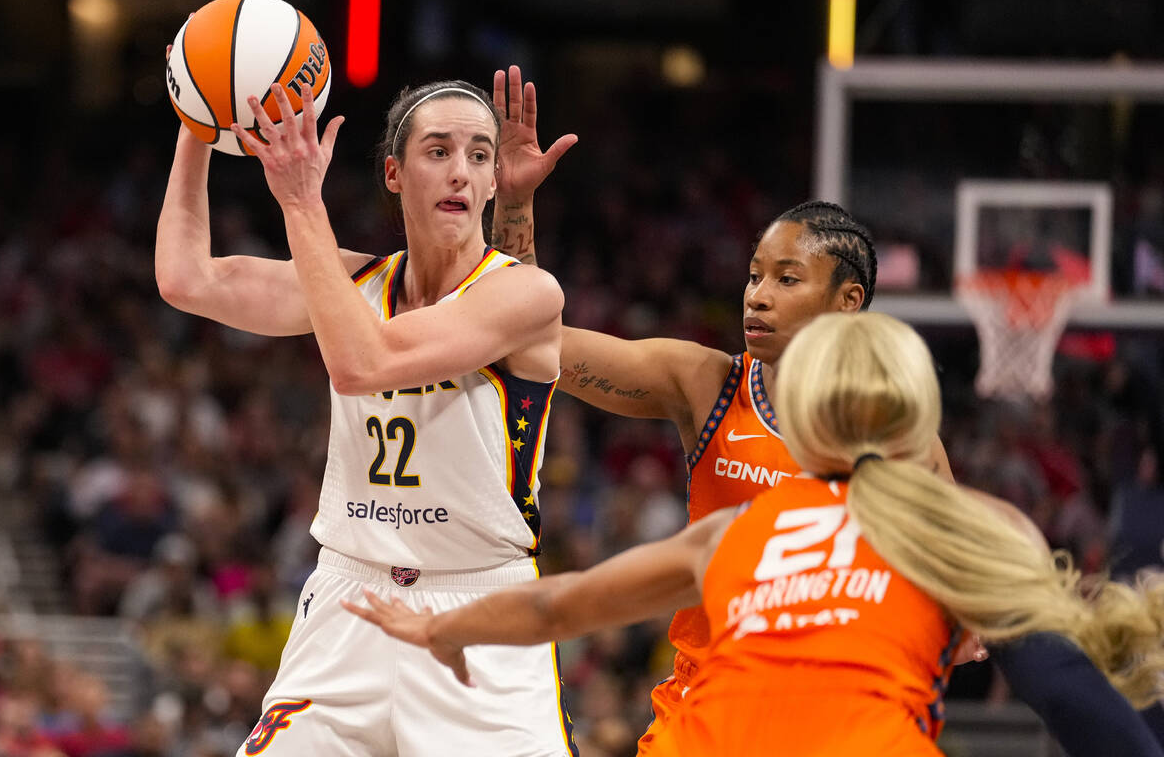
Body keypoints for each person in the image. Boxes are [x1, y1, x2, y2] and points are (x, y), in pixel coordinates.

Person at [486, 66, 1163, 756]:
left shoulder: (904, 438)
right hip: (704, 720)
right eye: (753, 275)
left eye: (785, 279)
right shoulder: (703, 383)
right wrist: (514, 208)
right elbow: (529, 343)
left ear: (847, 301)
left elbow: (958, 615)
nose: (756, 295)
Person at [344, 311, 1164, 756]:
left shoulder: (737, 530)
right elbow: (1061, 688)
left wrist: (440, 626)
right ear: (921, 418)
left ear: (805, 421)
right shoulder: (972, 528)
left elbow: (558, 608)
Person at [156, 70, 576, 756]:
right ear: (393, 173)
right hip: (349, 602)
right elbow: (186, 278)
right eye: (437, 151)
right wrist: (197, 116)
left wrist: (299, 203)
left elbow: (362, 364)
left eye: (477, 154)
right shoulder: (355, 282)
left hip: (478, 610)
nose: (460, 173)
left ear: (495, 180)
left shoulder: (527, 296)